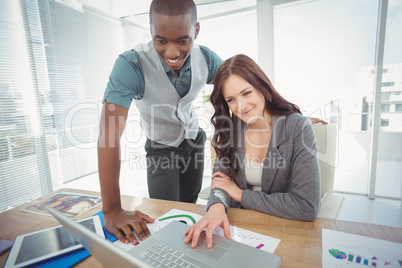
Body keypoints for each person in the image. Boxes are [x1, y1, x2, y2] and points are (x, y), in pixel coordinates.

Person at [98, 0, 223, 245]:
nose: (173, 52)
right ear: (151, 29)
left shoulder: (207, 59)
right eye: (161, 40)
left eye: (183, 40)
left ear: (196, 31)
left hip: (194, 140)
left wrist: (288, 113)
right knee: (166, 217)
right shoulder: (130, 66)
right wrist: (112, 209)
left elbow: (246, 87)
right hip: (160, 148)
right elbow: (108, 136)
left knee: (187, 209)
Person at [184, 54, 321, 249]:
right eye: (231, 99)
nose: (241, 106)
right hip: (241, 226)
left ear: (262, 87)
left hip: (284, 228)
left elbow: (306, 206)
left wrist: (241, 195)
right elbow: (220, 180)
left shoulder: (297, 127)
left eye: (246, 93)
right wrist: (216, 206)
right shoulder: (230, 128)